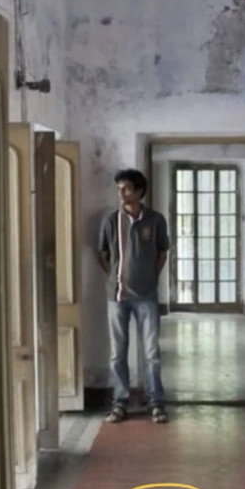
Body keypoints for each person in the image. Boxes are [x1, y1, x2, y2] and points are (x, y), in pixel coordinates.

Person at [98, 168, 170, 423]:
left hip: (147, 296)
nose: (122, 193)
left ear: (139, 191)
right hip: (117, 297)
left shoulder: (155, 220)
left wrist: (150, 278)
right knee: (118, 353)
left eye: (127, 188)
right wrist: (115, 278)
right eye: (119, 189)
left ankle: (156, 402)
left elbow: (162, 252)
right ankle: (120, 402)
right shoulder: (111, 220)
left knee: (151, 353)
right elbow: (104, 254)